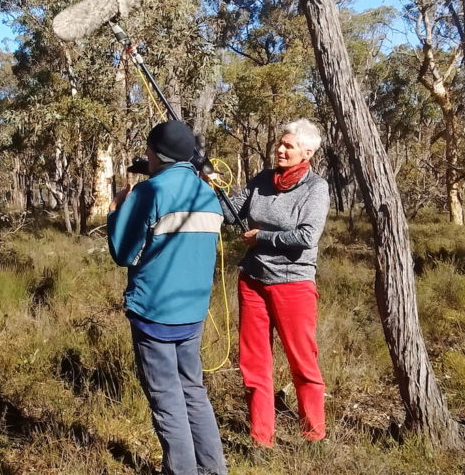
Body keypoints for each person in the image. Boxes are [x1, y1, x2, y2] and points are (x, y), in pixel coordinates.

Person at [107, 120, 229, 475]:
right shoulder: (206, 192)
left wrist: (116, 212)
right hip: (192, 315)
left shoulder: (150, 192)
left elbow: (123, 253)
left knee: (167, 401)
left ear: (155, 154)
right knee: (193, 391)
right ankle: (213, 469)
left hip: (155, 313)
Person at [228, 118, 329, 448]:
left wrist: (263, 237)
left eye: (288, 145)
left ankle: (314, 435)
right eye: (280, 144)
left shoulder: (316, 188)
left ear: (307, 152)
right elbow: (230, 212)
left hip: (293, 284)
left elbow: (306, 236)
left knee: (302, 361)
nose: (280, 149)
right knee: (253, 362)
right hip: (252, 280)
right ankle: (261, 439)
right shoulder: (262, 180)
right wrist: (205, 186)